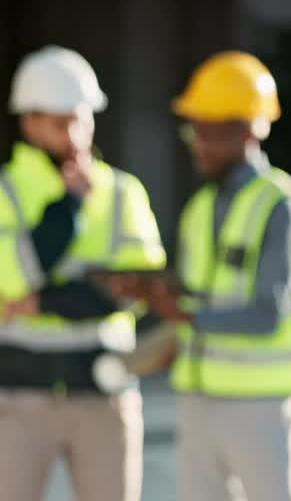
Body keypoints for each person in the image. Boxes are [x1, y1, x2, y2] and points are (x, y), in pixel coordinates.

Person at [116, 51, 291, 501]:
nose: (198, 143)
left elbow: (268, 313)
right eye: (194, 129)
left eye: (209, 131)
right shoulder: (199, 209)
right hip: (199, 400)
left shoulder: (281, 206)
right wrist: (156, 291)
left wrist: (186, 315)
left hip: (265, 406)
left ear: (249, 130)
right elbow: (201, 291)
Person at [0, 45, 166, 501]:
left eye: (82, 119)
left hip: (105, 396)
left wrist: (43, 302)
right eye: (60, 122)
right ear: (29, 123)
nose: (75, 134)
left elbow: (137, 289)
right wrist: (68, 209)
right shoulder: (5, 192)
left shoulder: (123, 193)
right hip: (19, 398)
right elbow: (9, 280)